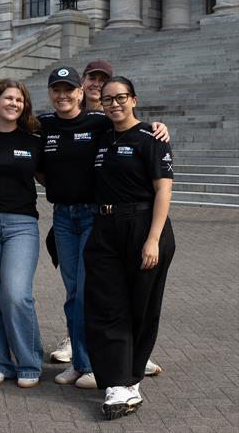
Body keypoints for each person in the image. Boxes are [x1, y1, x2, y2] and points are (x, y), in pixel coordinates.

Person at [45, 62, 166, 378]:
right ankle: (82, 362)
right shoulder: (43, 124)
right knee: (74, 292)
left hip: (93, 216)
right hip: (62, 217)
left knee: (90, 291)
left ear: (81, 91)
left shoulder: (99, 122)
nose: (63, 95)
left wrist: (156, 126)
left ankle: (109, 360)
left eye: (68, 89)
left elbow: (131, 126)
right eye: (56, 90)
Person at [84, 76, 175, 420]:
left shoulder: (152, 138)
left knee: (142, 306)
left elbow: (163, 190)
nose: (114, 104)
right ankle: (117, 381)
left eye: (121, 98)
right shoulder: (102, 136)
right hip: (105, 228)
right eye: (107, 100)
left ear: (133, 99)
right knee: (108, 305)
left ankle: (131, 379)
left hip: (143, 227)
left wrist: (152, 239)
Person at [0, 79, 44, 388]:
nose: (14, 103)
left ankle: (28, 361)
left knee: (15, 294)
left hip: (21, 225)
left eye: (19, 99)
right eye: (8, 98)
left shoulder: (33, 140)